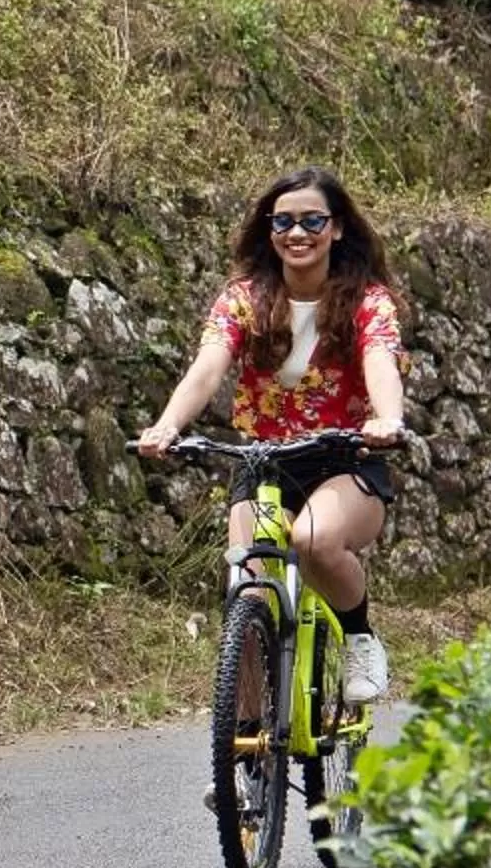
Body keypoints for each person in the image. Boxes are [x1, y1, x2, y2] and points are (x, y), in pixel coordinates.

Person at [135, 167, 408, 703]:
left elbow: (381, 362)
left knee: (313, 540)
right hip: (265, 464)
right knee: (248, 588)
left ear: (337, 229)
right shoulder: (244, 299)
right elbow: (208, 366)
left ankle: (360, 637)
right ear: (269, 229)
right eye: (283, 221)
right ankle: (246, 750)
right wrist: (168, 424)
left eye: (312, 220)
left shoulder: (367, 302)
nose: (297, 233)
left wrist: (386, 418)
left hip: (345, 460)